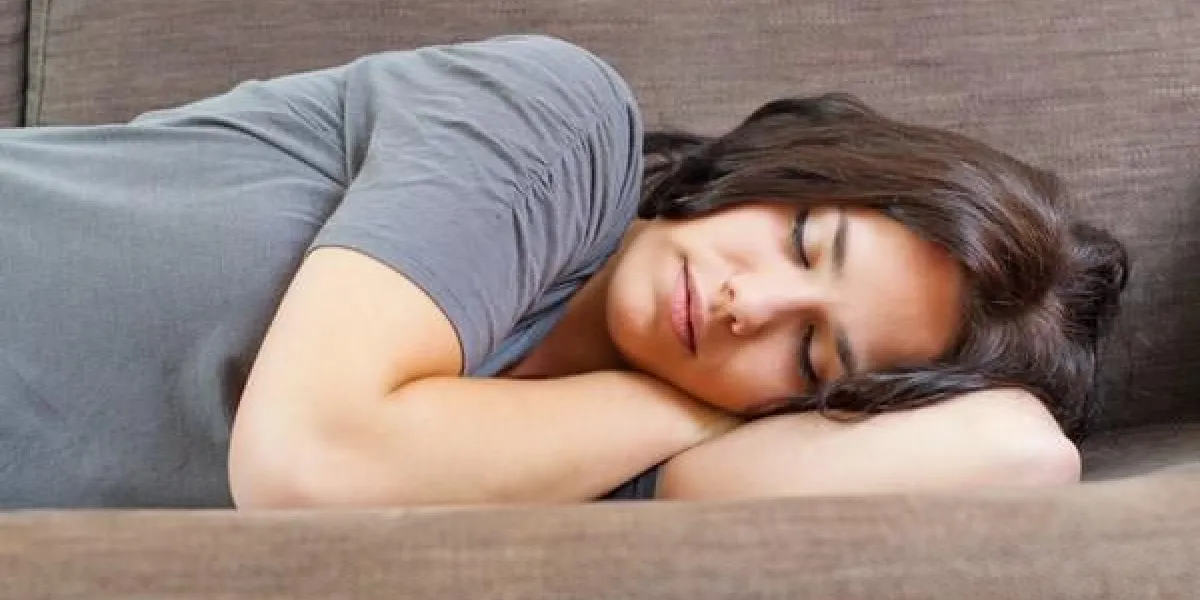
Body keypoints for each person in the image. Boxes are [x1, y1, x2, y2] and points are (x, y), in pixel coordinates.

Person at [0, 35, 1127, 509]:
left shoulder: (592, 477)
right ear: (774, 176)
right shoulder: (557, 125)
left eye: (814, 349)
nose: (749, 304)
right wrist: (677, 401)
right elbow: (309, 463)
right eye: (802, 244)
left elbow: (1021, 452)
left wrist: (690, 420)